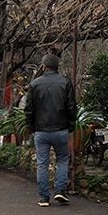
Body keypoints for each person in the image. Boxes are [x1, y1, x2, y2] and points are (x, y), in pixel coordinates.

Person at [24, 53, 77, 207]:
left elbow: (29, 109)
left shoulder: (34, 84)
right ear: (57, 67)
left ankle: (44, 197)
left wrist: (31, 127)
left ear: (43, 66)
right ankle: (60, 190)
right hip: (61, 129)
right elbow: (72, 107)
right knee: (62, 160)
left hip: (41, 130)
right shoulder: (65, 82)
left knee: (42, 163)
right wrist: (71, 126)